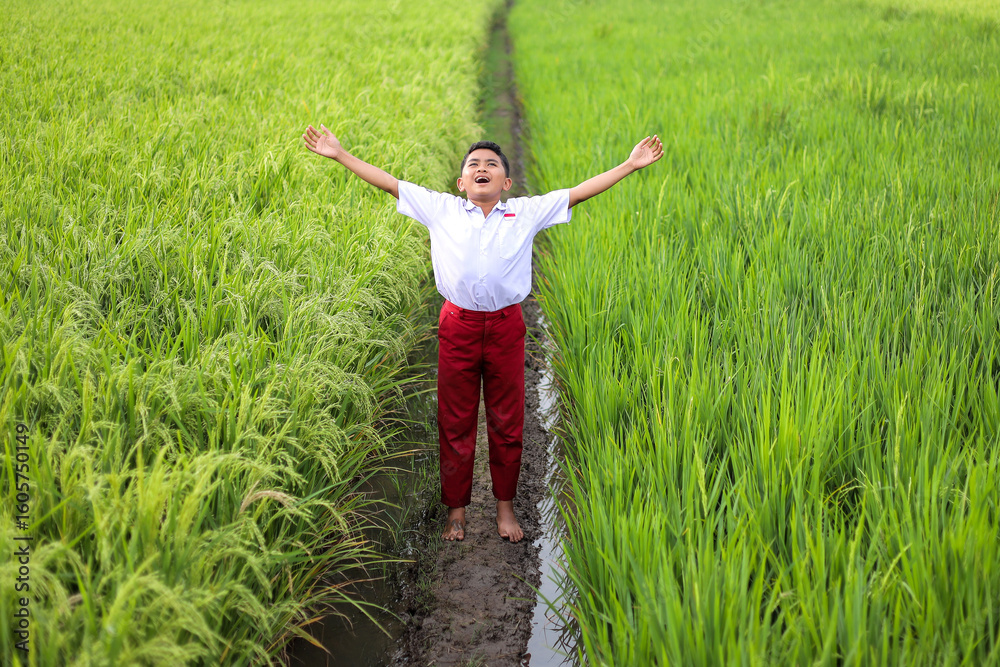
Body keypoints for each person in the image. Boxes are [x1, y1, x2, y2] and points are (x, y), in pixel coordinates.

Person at [303, 124, 663, 543]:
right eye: (473, 164)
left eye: (492, 164)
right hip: (458, 324)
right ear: (461, 182)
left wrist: (629, 165)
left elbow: (578, 192)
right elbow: (389, 183)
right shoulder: (442, 209)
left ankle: (505, 509)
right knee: (454, 418)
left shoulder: (524, 212)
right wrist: (341, 154)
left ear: (506, 183)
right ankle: (456, 512)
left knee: (507, 419)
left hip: (506, 325)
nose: (482, 168)